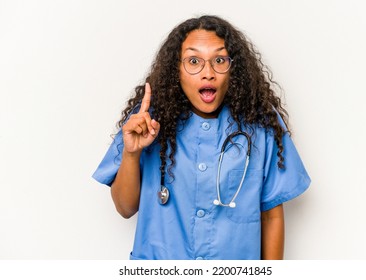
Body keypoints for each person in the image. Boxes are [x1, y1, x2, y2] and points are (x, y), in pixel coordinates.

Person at [92, 15, 310, 260]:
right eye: (193, 61)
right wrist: (132, 154)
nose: (208, 73)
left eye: (219, 60)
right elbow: (125, 208)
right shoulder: (146, 121)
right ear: (177, 70)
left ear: (233, 68)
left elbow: (271, 215)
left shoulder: (259, 124)